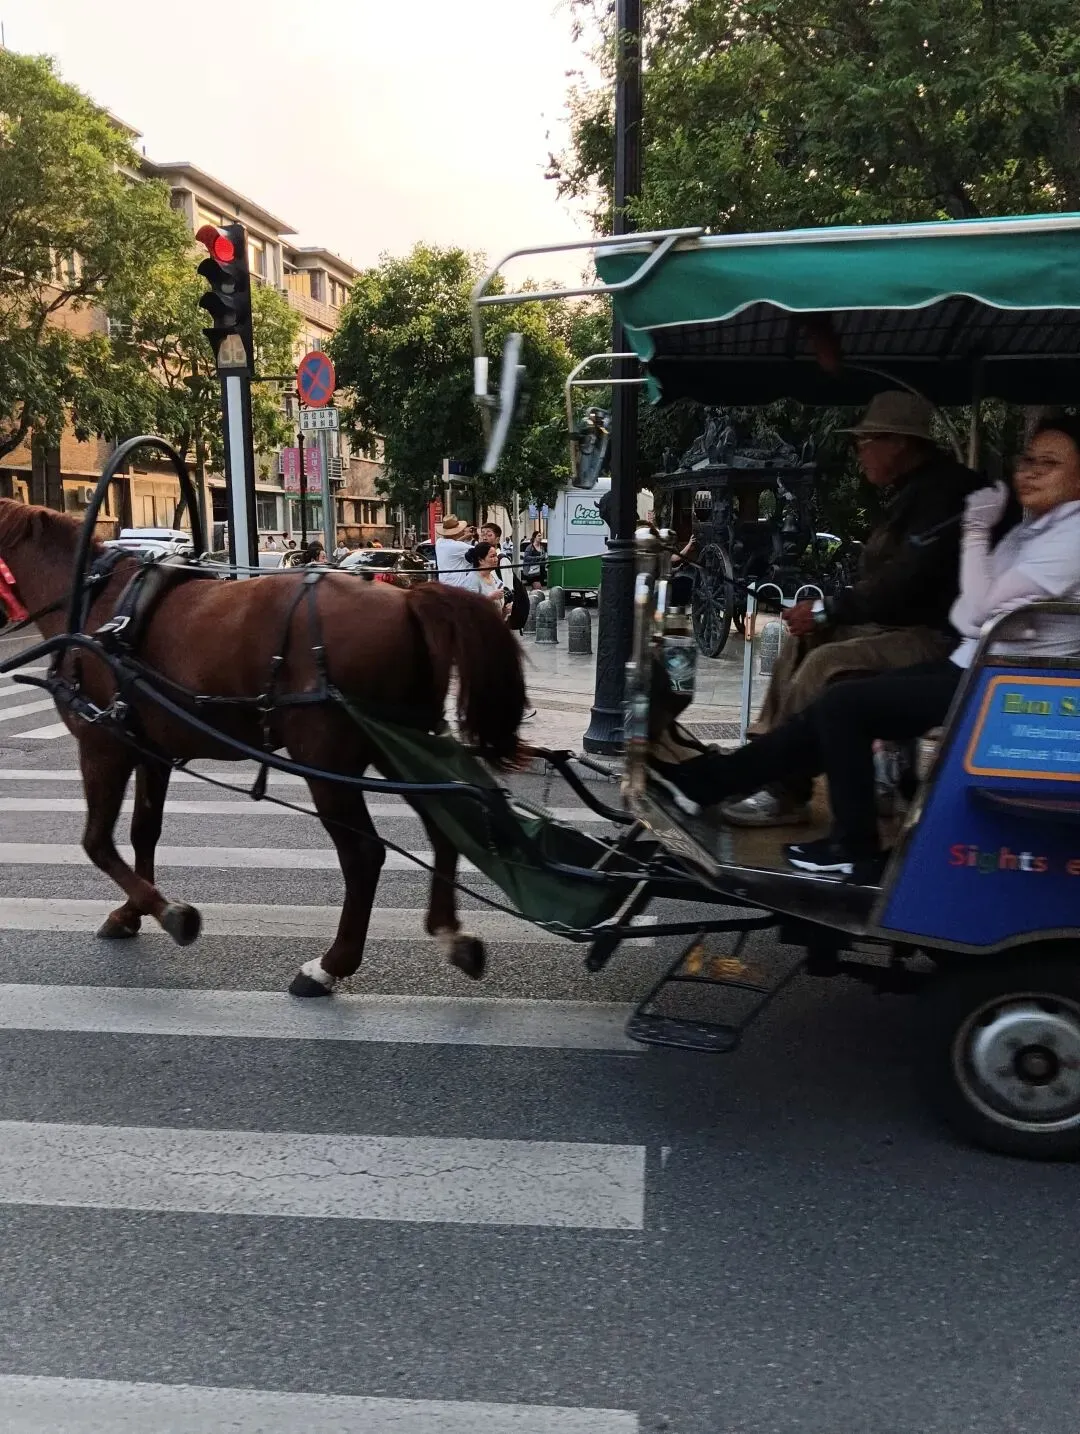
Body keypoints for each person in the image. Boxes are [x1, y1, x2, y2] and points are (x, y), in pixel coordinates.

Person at [649, 418, 1080, 882]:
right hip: (974, 664)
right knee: (828, 709)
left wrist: (976, 532)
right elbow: (968, 610)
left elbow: (966, 612)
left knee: (840, 700)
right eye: (1029, 460)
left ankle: (850, 842)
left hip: (999, 682)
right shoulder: (1028, 531)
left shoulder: (1067, 537)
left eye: (1049, 463)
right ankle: (707, 784)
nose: (1031, 472)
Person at [676, 391, 981, 828]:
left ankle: (786, 789)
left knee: (824, 663)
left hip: (933, 637)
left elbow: (901, 584)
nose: (858, 453)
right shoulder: (915, 492)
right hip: (895, 625)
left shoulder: (941, 495)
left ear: (897, 442)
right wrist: (820, 616)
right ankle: (763, 756)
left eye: (864, 442)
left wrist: (826, 611)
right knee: (799, 644)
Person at [465, 541, 512, 614]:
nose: (496, 559)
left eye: (496, 555)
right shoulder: (472, 579)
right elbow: (470, 607)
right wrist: (490, 597)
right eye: (492, 556)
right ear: (481, 560)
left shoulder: (492, 576)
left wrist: (505, 610)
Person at [434, 515, 475, 589]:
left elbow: (453, 543)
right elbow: (481, 549)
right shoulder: (458, 546)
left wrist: (465, 536)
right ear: (456, 532)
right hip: (457, 587)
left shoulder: (439, 542)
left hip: (444, 585)